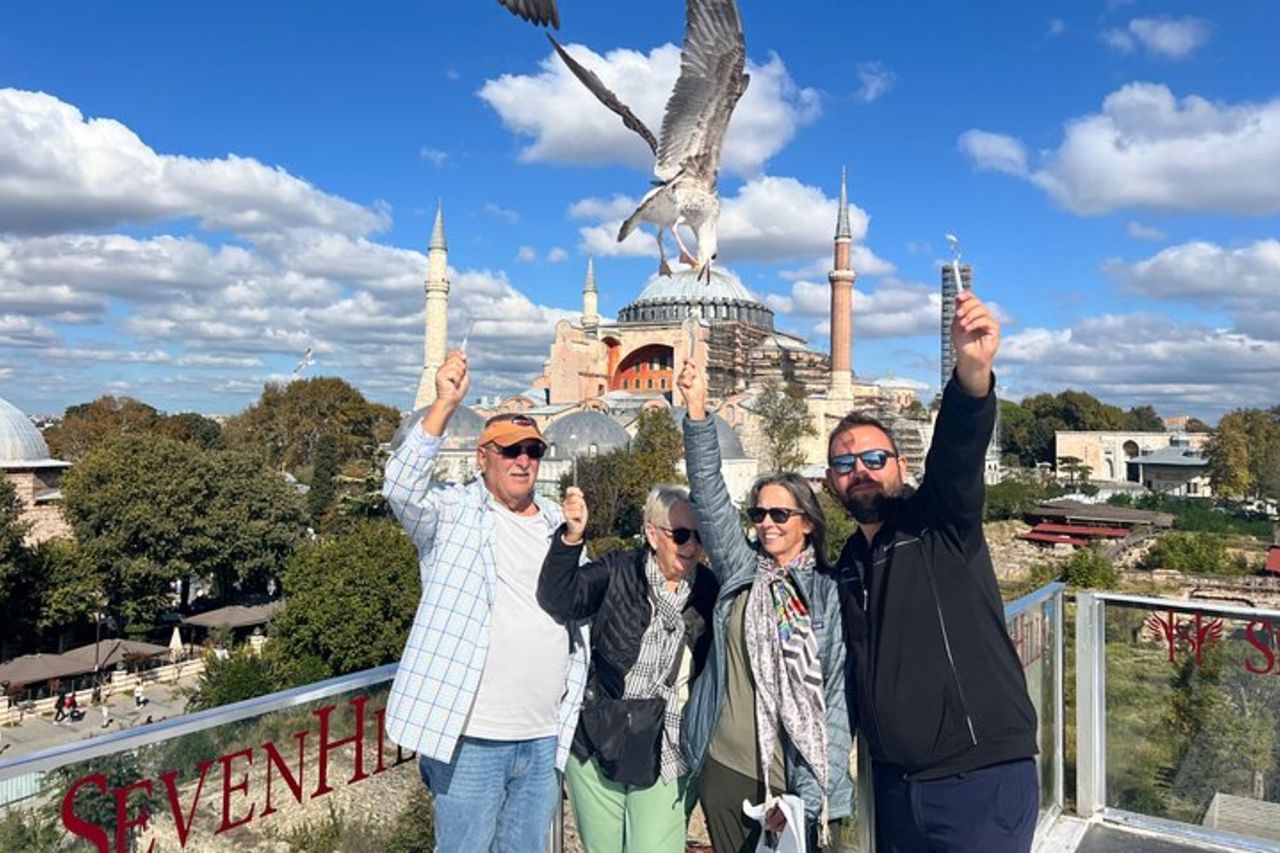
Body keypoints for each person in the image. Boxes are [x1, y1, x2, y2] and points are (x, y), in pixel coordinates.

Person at [828, 290, 1038, 852]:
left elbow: (957, 454)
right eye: (845, 464)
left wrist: (971, 374)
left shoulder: (939, 522)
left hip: (978, 778)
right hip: (896, 786)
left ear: (901, 466)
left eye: (874, 458)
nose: (860, 471)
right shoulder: (849, 565)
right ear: (830, 482)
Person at [381, 349, 588, 853]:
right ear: (482, 457)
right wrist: (444, 403)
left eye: (533, 451)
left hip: (541, 735)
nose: (523, 460)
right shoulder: (452, 512)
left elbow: (580, 611)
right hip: (472, 737)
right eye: (510, 450)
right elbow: (400, 488)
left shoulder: (557, 526)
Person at [678, 360, 853, 852]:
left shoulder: (827, 592)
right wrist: (698, 413)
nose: (767, 523)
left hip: (793, 780)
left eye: (780, 513)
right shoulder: (743, 569)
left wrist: (808, 801)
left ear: (808, 523)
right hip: (726, 766)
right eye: (759, 514)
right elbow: (710, 497)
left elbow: (834, 700)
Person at [538, 484, 719, 853]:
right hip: (599, 735)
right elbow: (560, 598)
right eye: (681, 535)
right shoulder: (617, 571)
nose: (691, 546)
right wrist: (571, 539)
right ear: (652, 533)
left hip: (670, 743)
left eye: (699, 537)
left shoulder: (708, 591)